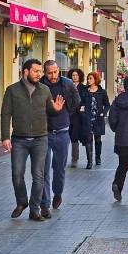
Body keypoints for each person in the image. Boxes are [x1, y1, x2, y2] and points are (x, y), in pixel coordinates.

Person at [1, 59, 65, 222]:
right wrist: (5, 137)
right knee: (17, 174)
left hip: (40, 139)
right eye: (36, 71)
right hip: (19, 140)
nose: (39, 74)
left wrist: (56, 110)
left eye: (39, 71)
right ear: (26, 72)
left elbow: (50, 111)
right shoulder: (12, 90)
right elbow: (5, 114)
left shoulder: (44, 90)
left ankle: (35, 209)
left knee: (38, 175)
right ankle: (22, 201)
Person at [39, 60, 81, 215]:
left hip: (62, 131)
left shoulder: (67, 83)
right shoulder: (40, 85)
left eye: (55, 71)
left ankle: (57, 192)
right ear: (45, 72)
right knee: (43, 169)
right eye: (50, 72)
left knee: (59, 168)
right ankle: (45, 203)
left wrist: (65, 113)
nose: (53, 75)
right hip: (44, 132)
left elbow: (76, 101)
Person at [82, 71, 110, 167]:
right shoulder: (85, 91)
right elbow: (80, 103)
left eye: (91, 78)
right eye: (88, 78)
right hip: (88, 119)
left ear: (95, 79)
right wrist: (82, 110)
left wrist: (103, 113)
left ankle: (98, 158)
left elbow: (107, 105)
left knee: (98, 139)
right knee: (88, 139)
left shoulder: (102, 92)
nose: (89, 80)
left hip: (98, 119)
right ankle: (89, 162)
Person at [66, 68, 87, 168]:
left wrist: (82, 107)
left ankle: (75, 159)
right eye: (73, 75)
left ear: (80, 76)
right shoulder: (67, 87)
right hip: (67, 115)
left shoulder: (83, 88)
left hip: (78, 116)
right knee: (66, 137)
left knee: (74, 137)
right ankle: (63, 158)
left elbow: (85, 100)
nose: (74, 77)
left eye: (76, 75)